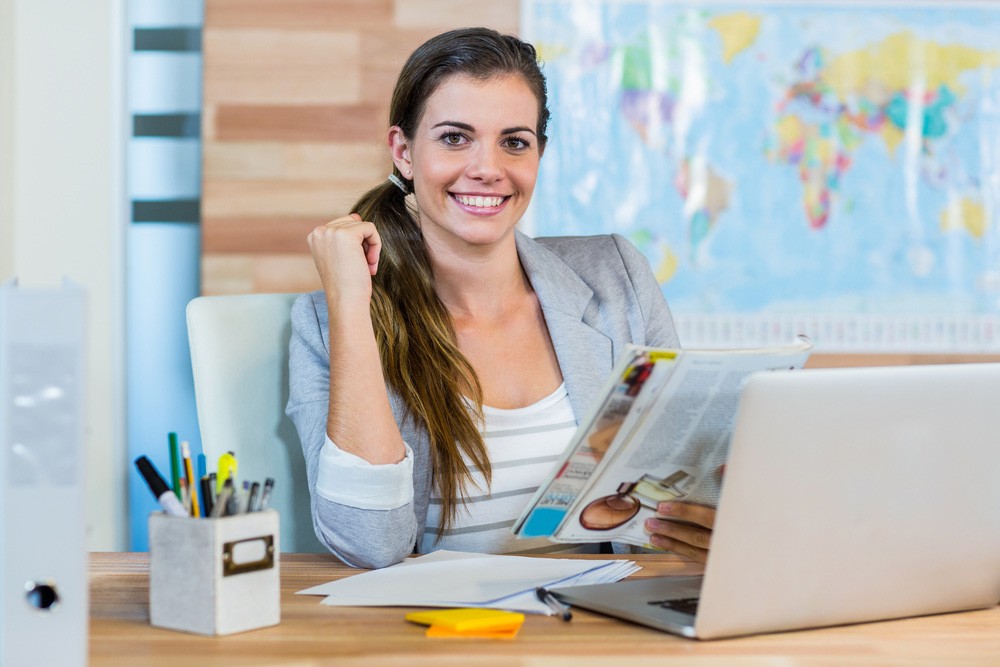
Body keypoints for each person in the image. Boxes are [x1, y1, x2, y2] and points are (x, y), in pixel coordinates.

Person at [286, 27, 715, 569]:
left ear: (538, 153)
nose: (488, 169)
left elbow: (680, 483)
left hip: (600, 629)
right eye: (454, 138)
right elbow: (371, 544)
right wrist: (352, 304)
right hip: (444, 636)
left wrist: (713, 516)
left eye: (514, 142)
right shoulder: (327, 323)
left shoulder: (618, 276)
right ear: (403, 152)